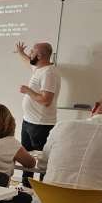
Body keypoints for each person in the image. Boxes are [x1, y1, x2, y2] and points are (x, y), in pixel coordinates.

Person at [14, 41, 61, 185]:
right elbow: (29, 61)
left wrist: (27, 90)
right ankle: (25, 187)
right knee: (26, 158)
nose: (30, 55)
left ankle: (41, 190)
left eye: (32, 52)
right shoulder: (39, 68)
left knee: (42, 161)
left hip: (41, 124)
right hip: (29, 121)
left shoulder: (49, 73)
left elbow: (46, 100)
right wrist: (21, 53)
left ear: (40, 56)